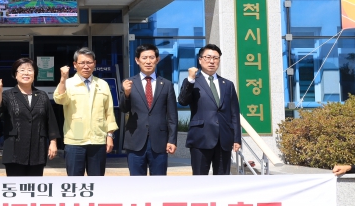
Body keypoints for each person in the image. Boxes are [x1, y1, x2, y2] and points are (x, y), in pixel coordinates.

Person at [178, 44, 241, 175]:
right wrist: (190, 79)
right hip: (201, 137)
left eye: (215, 58)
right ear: (200, 60)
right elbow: (183, 101)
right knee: (200, 178)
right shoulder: (192, 81)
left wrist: (236, 138)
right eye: (208, 57)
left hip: (224, 139)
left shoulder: (227, 84)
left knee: (222, 179)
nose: (212, 61)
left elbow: (234, 113)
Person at [54, 47, 118, 176]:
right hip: (75, 138)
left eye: (89, 62)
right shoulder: (69, 83)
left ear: (94, 63)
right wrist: (63, 79)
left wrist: (110, 136)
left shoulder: (103, 84)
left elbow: (109, 113)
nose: (86, 66)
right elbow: (59, 99)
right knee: (75, 181)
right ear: (75, 65)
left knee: (97, 181)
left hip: (98, 139)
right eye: (82, 63)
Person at [0, 57, 61, 176]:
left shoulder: (42, 95)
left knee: (34, 188)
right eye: (22, 70)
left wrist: (53, 142)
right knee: (16, 186)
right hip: (14, 149)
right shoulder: (8, 95)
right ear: (15, 74)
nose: (26, 73)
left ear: (35, 74)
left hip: (37, 148)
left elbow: (50, 120)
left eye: (30, 70)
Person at [120, 44, 178, 176]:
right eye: (144, 58)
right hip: (135, 141)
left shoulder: (167, 84)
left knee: (158, 183)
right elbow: (123, 109)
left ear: (157, 60)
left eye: (151, 57)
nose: (148, 61)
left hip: (160, 142)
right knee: (137, 183)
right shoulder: (128, 83)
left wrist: (172, 140)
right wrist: (126, 93)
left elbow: (172, 116)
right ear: (137, 60)